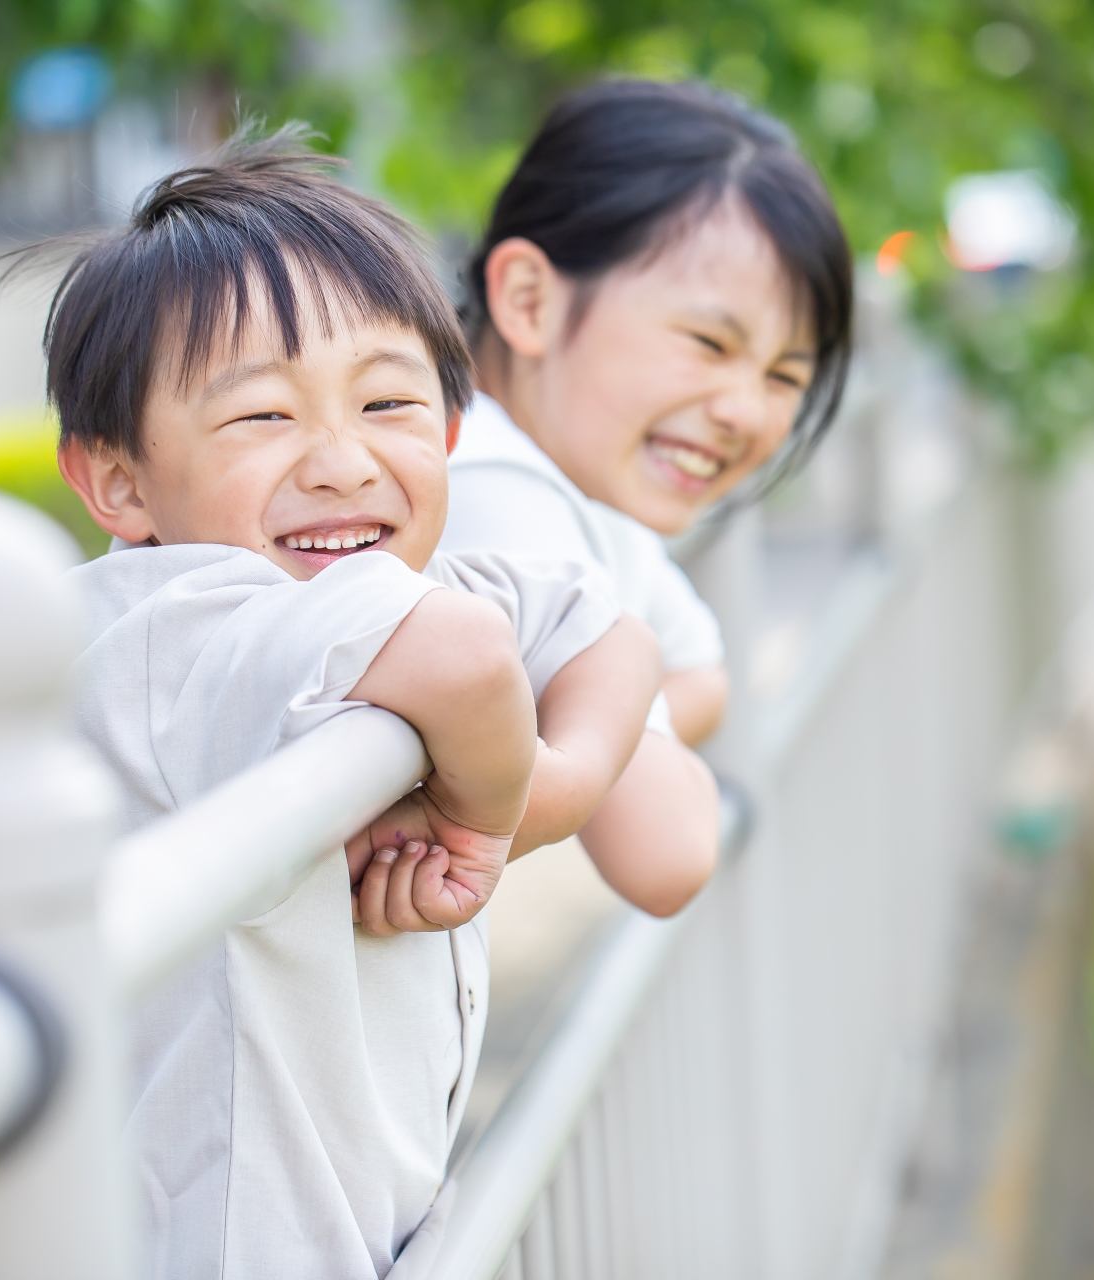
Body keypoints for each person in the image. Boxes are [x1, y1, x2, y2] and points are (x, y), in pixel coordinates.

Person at [42, 130, 663, 1278]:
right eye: (261, 417)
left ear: (450, 434)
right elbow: (476, 660)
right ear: (121, 482)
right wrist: (485, 819)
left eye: (387, 401)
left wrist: (538, 800)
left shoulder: (407, 586)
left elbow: (618, 637)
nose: (341, 460)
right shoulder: (172, 620)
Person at [441, 80, 854, 913]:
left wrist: (582, 733)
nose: (744, 411)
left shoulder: (574, 503)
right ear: (528, 300)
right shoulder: (485, 486)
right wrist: (599, 733)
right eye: (708, 342)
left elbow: (703, 676)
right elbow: (668, 852)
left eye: (783, 377)